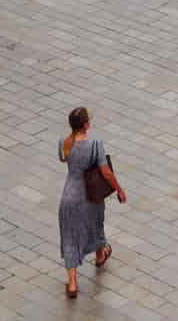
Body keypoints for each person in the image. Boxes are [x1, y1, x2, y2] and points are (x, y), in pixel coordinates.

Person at [57, 106, 125, 298]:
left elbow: (64, 160)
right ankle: (100, 256)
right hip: (90, 196)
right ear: (86, 125)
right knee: (95, 225)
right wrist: (119, 189)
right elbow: (106, 172)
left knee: (69, 237)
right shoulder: (95, 144)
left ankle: (72, 284)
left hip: (68, 197)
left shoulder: (64, 142)